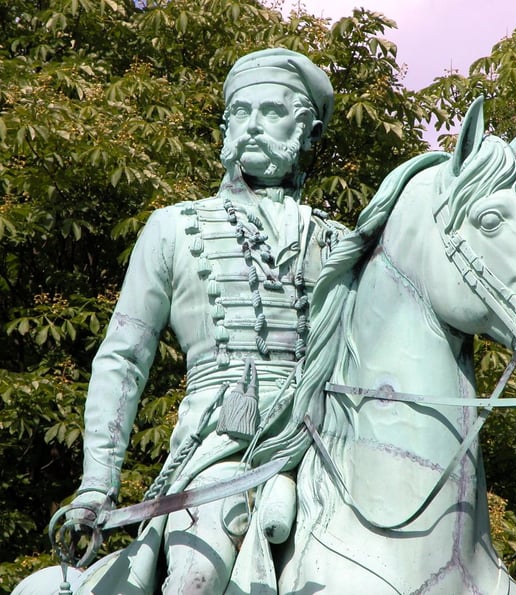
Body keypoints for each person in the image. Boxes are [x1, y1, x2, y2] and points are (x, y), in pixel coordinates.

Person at [68, 48, 345, 594]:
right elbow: (123, 359)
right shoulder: (173, 228)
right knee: (198, 573)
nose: (252, 126)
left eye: (271, 111)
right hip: (224, 447)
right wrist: (97, 484)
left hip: (330, 447)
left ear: (307, 129)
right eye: (240, 113)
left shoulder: (342, 242)